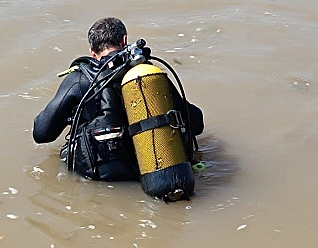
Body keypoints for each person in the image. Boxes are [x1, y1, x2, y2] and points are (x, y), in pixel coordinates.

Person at [32, 17, 204, 182]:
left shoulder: (79, 80)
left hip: (100, 179)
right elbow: (196, 124)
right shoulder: (147, 75)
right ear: (124, 40)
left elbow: (41, 133)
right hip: (154, 170)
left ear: (93, 52)